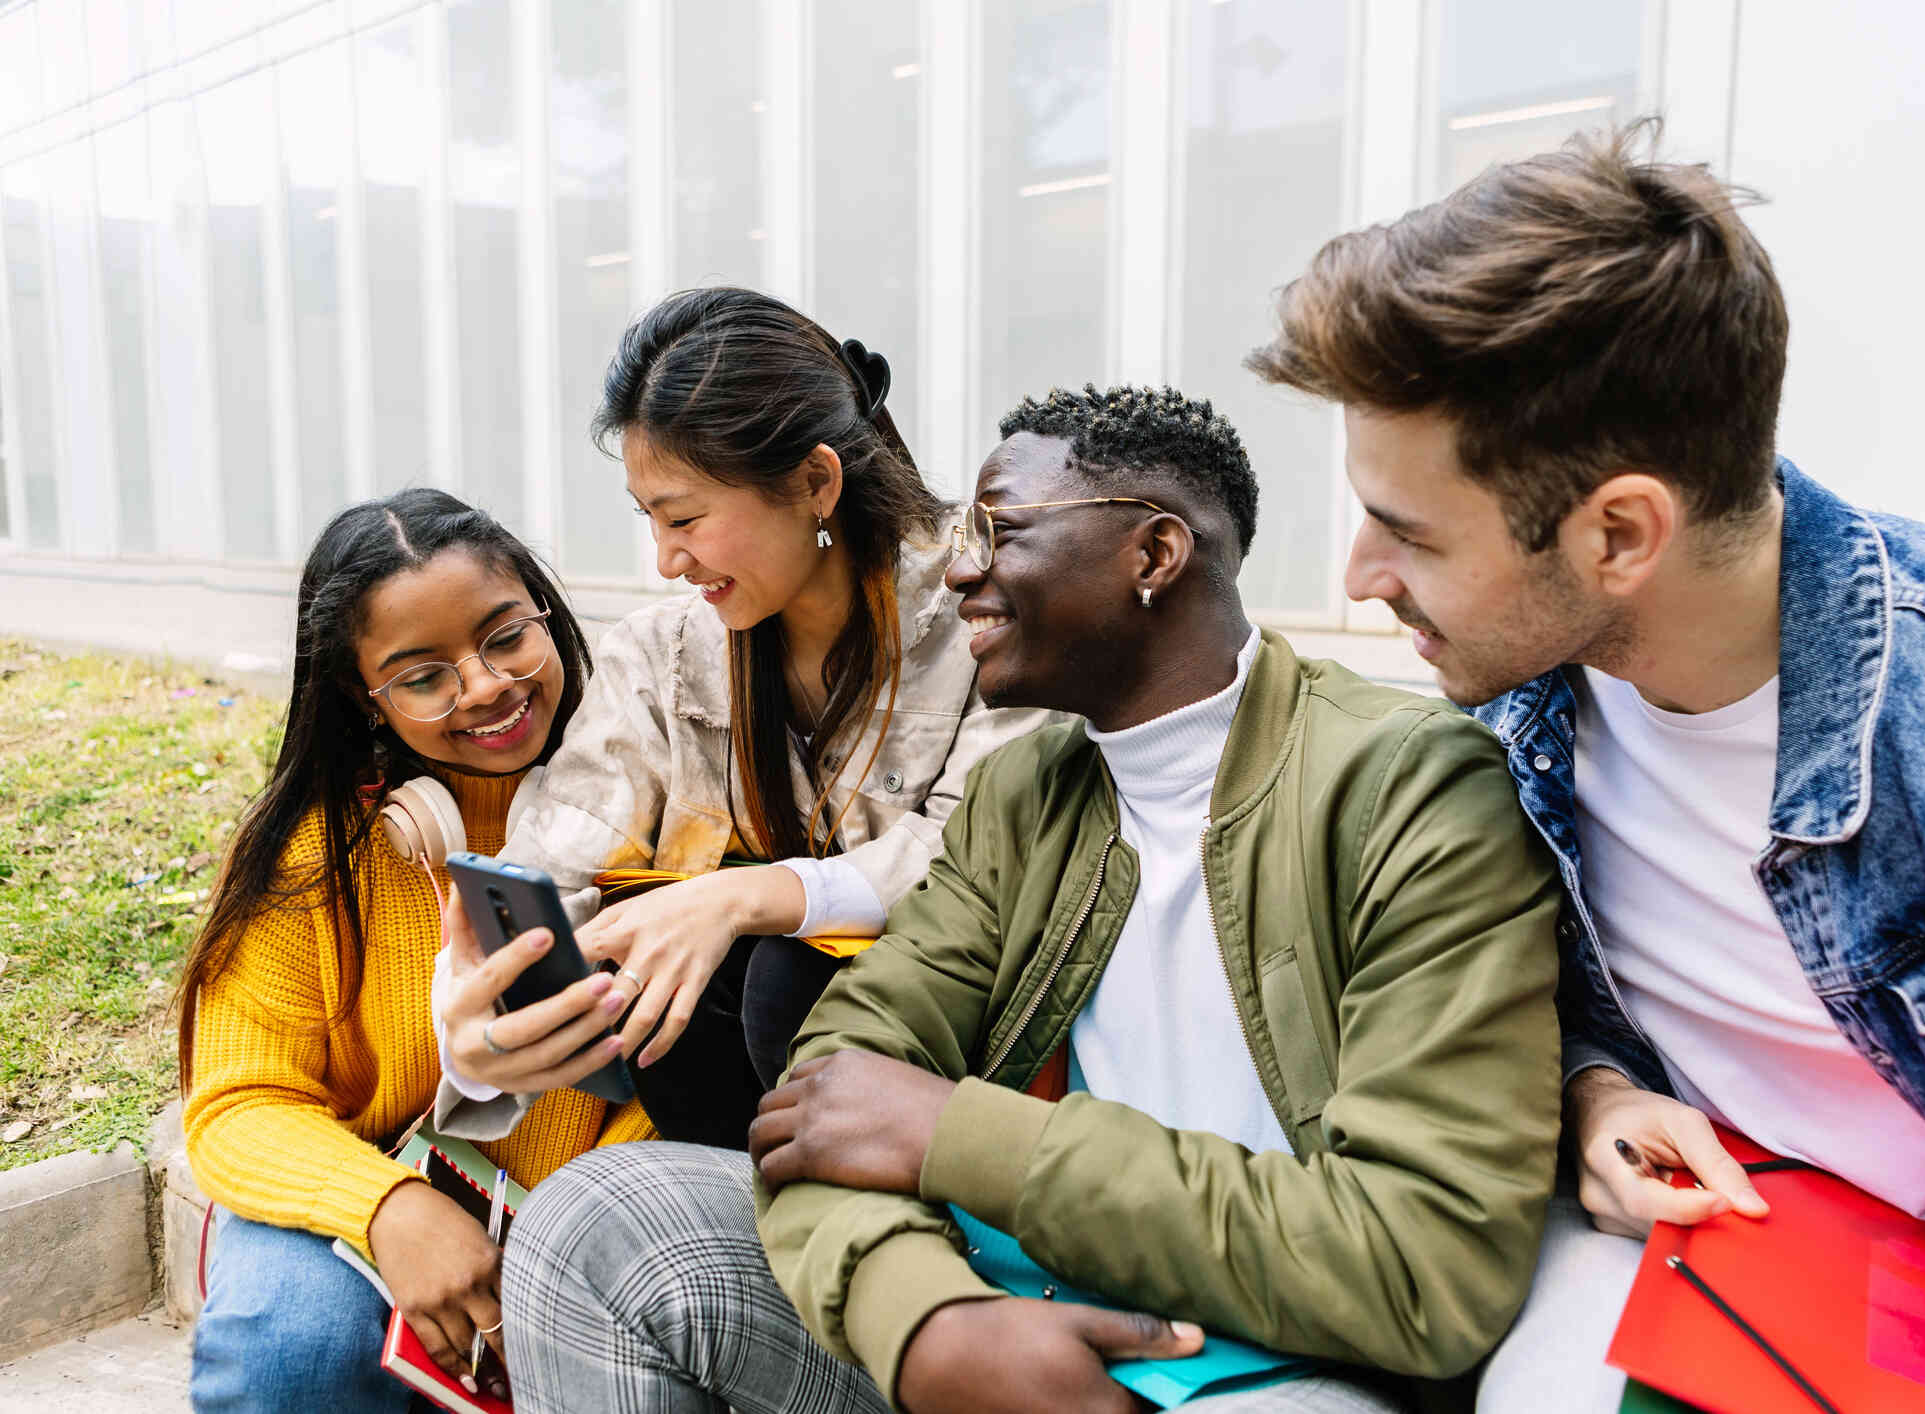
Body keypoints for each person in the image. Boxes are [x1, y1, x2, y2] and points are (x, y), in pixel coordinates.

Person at [1245, 121, 1925, 1412]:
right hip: (1739, 1269)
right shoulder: (1510, 701)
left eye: (1407, 535)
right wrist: (1596, 1095)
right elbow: (1549, 992)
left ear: (1619, 535)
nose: (1361, 580)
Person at [491, 384, 1565, 1414]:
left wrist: (967, 1138)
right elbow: (826, 1094)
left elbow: (1428, 1261)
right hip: (989, 1314)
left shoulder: (1406, 783)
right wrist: (928, 1320)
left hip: (1266, 1364)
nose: (959, 572)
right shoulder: (1027, 787)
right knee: (598, 1221)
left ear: (1154, 553)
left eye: (1001, 532)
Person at [432, 288, 1053, 1149]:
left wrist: (750, 895)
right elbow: (554, 866)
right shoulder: (661, 657)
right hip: (736, 1126)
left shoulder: (993, 606)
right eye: (648, 519)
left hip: (968, 1100)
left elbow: (978, 858)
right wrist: (475, 1025)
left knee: (780, 972)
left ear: (815, 481)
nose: (664, 560)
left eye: (685, 518)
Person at [179, 489, 656, 1412]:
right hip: (354, 1191)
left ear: (548, 614)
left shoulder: (665, 808)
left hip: (582, 1211)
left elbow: (689, 1082)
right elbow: (239, 1107)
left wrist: (551, 1244)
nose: (482, 686)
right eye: (423, 675)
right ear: (366, 698)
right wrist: (392, 1211)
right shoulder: (308, 853)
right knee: (291, 1348)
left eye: (506, 636)